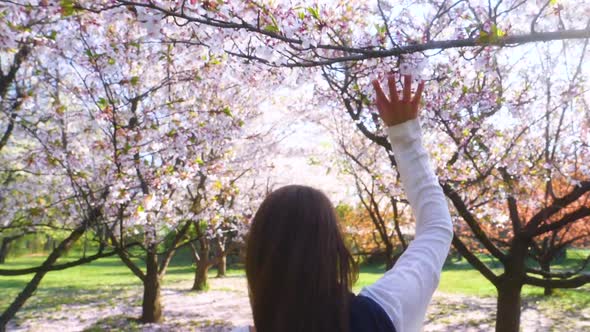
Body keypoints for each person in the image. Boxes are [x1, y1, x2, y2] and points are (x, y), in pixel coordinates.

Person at [233, 74, 453, 332]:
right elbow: (436, 228)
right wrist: (405, 137)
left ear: (256, 258)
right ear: (333, 249)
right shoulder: (382, 311)